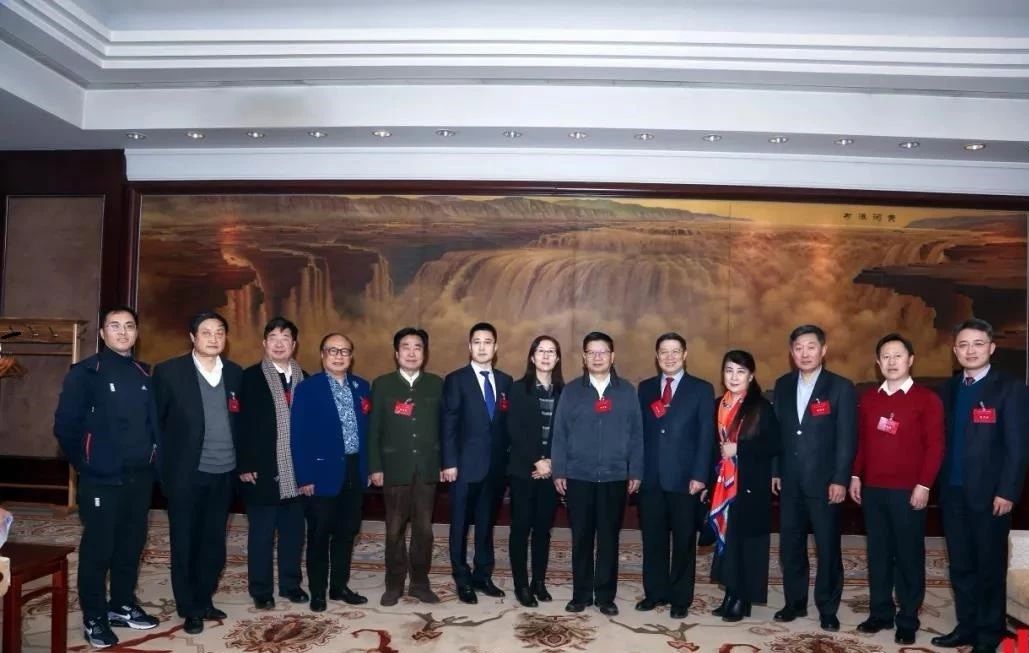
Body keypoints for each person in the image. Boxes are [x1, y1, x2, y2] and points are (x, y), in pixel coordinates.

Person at [54, 305, 160, 648]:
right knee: (98, 549)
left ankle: (122, 605)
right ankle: (94, 616)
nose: (123, 332)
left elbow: (153, 425)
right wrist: (88, 464)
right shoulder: (86, 372)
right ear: (102, 333)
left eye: (129, 326)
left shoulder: (145, 373)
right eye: (115, 326)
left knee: (131, 545)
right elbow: (65, 427)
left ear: (136, 333)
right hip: (101, 478)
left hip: (139, 476)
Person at [931, 319, 1027, 653]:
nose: (970, 351)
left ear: (991, 348)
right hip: (952, 492)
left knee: (989, 565)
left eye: (977, 344)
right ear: (955, 351)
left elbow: (1018, 447)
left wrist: (1008, 491)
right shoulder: (949, 389)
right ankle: (967, 625)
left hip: (991, 495)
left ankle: (989, 632)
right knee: (960, 564)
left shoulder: (1010, 388)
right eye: (963, 345)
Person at [849, 333, 944, 645]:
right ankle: (880, 612)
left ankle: (908, 618)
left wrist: (924, 485)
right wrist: (856, 475)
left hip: (909, 491)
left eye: (898, 355)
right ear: (878, 363)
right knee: (878, 554)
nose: (892, 362)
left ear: (910, 360)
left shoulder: (927, 399)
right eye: (886, 357)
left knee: (908, 555)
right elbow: (862, 442)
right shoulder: (869, 399)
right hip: (873, 490)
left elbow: (935, 447)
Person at [153, 310, 243, 635]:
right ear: (193, 337)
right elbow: (156, 426)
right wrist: (163, 472)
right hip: (185, 474)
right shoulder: (169, 372)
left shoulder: (235, 374)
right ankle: (189, 607)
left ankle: (204, 598)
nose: (214, 338)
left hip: (224, 473)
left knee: (213, 544)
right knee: (185, 542)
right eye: (206, 332)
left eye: (220, 332)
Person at [551, 331, 643, 616]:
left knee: (608, 539)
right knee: (581, 538)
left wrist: (635, 470)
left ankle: (605, 596)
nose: (597, 357)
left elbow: (637, 435)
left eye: (603, 352)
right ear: (584, 357)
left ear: (612, 356)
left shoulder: (626, 391)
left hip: (615, 477)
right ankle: (580, 595)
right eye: (591, 352)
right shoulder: (571, 391)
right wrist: (559, 470)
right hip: (578, 475)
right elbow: (560, 434)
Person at [771, 324, 856, 631]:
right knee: (790, 545)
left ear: (823, 350)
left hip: (825, 483)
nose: (804, 353)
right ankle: (794, 602)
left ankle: (827, 608)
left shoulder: (840, 387)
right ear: (791, 353)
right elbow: (778, 432)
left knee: (827, 547)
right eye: (798, 348)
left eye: (811, 347)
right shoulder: (782, 385)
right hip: (790, 482)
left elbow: (847, 438)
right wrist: (776, 471)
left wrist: (840, 479)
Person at [635, 333, 714, 619]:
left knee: (684, 540)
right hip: (651, 477)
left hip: (686, 479)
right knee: (653, 539)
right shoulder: (645, 388)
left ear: (685, 354)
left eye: (675, 351)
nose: (669, 357)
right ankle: (655, 592)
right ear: (657, 357)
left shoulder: (701, 389)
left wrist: (700, 475)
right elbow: (638, 434)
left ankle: (681, 597)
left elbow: (706, 435)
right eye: (664, 352)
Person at [291, 333, 371, 612]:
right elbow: (298, 435)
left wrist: (368, 469)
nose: (339, 356)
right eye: (332, 351)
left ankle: (339, 586)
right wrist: (304, 477)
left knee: (347, 532)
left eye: (344, 351)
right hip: (321, 471)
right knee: (319, 534)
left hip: (354, 469)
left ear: (351, 356)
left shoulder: (362, 387)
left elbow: (368, 432)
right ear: (322, 355)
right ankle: (318, 592)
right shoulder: (308, 388)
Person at [235, 317, 309, 610]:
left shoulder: (306, 378)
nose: (279, 343)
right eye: (274, 338)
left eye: (285, 337)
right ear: (264, 343)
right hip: (261, 468)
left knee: (294, 533)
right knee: (262, 534)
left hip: (297, 471)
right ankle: (261, 589)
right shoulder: (249, 377)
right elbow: (240, 424)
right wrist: (244, 463)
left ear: (294, 344)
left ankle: (291, 585)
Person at [368, 327, 443, 606]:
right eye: (406, 347)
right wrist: (375, 467)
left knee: (424, 531)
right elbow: (374, 430)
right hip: (394, 468)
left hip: (426, 469)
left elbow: (445, 428)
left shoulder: (436, 384)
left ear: (425, 353)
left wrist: (443, 463)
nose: (412, 352)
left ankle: (420, 584)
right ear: (396, 353)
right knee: (394, 530)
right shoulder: (382, 384)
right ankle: (394, 584)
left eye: (417, 347)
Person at [441, 322, 514, 604]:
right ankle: (462, 578)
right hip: (463, 467)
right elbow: (448, 424)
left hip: (494, 469)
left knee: (486, 524)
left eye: (488, 342)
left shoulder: (506, 381)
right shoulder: (456, 379)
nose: (482, 347)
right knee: (460, 524)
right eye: (477, 342)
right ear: (469, 346)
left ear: (496, 347)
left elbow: (505, 427)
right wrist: (449, 462)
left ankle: (483, 575)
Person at [707, 350, 781, 622]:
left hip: (750, 486)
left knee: (747, 543)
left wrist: (740, 448)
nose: (734, 376)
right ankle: (731, 593)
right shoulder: (718, 405)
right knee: (729, 541)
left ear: (751, 376)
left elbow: (774, 444)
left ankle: (743, 597)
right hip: (723, 486)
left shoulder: (761, 407)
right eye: (729, 370)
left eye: (740, 371)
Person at [506, 335, 564, 608]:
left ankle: (538, 582)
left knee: (543, 529)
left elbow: (566, 433)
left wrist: (551, 462)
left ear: (557, 358)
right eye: (541, 351)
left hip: (551, 472)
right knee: (521, 527)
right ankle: (521, 584)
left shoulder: (564, 392)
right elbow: (513, 430)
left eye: (551, 351)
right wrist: (536, 461)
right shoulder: (518, 389)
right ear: (532, 356)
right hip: (523, 470)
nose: (546, 356)